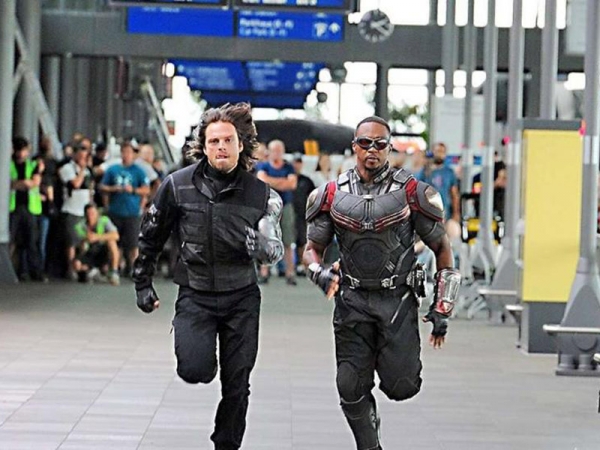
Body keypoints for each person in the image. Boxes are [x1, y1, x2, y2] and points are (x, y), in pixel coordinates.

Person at [132, 103, 284, 450]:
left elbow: (275, 249)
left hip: (241, 297)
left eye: (228, 140)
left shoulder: (262, 195)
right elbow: (151, 235)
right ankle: (201, 357)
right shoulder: (177, 185)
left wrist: (263, 248)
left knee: (238, 383)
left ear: (241, 145)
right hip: (195, 294)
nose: (221, 147)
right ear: (203, 146)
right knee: (195, 370)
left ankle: (226, 444)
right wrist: (143, 283)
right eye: (214, 141)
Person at [303, 116, 461, 450]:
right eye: (365, 143)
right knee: (350, 385)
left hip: (397, 300)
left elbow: (442, 249)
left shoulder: (413, 193)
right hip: (352, 300)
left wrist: (443, 307)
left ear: (389, 148)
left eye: (379, 144)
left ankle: (382, 378)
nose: (371, 150)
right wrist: (319, 273)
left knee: (403, 386)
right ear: (354, 147)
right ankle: (369, 444)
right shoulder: (330, 194)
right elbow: (311, 250)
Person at [100, 141, 150, 275]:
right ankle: (115, 268)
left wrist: (133, 190)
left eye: (129, 152)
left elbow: (146, 190)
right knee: (116, 242)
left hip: (132, 212)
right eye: (124, 152)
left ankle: (135, 270)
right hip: (115, 211)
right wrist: (113, 189)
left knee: (133, 244)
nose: (126, 155)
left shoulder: (138, 171)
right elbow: (103, 187)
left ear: (133, 154)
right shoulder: (112, 169)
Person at [255, 139, 298, 285]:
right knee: (265, 238)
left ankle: (290, 273)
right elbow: (262, 181)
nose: (277, 153)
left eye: (279, 150)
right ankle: (264, 273)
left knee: (288, 240)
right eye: (274, 150)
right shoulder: (263, 166)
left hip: (285, 206)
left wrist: (271, 182)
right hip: (267, 206)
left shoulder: (288, 167)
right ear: (269, 152)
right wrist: (282, 182)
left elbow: (292, 184)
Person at [9, 137, 44, 281]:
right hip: (13, 207)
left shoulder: (32, 165)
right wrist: (24, 183)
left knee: (31, 242)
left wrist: (18, 183)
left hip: (30, 208)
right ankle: (16, 270)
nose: (23, 154)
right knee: (11, 240)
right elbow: (9, 183)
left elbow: (34, 183)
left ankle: (35, 272)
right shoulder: (8, 165)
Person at [58, 144, 94, 278]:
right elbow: (76, 184)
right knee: (71, 241)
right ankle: (70, 268)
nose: (83, 159)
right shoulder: (67, 169)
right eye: (81, 156)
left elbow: (90, 190)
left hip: (84, 210)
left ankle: (80, 265)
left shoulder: (87, 171)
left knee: (83, 240)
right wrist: (82, 170)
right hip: (71, 209)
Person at [73, 203, 120, 285]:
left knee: (112, 242)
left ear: (97, 213)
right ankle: (93, 271)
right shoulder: (80, 226)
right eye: (88, 214)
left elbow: (116, 235)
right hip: (89, 250)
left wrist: (97, 237)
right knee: (77, 265)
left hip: (102, 249)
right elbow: (79, 246)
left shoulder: (104, 220)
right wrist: (85, 240)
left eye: (93, 213)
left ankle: (114, 272)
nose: (91, 216)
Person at [291, 155, 316, 276]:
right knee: (290, 240)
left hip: (302, 214)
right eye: (295, 162)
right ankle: (289, 266)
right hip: (290, 212)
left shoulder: (306, 181)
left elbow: (314, 196)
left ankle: (302, 265)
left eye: (298, 162)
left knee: (302, 240)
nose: (297, 165)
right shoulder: (287, 178)